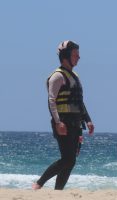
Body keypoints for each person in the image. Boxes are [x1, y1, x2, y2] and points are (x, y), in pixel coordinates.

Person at [32, 40, 95, 190]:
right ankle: (39, 184)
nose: (79, 58)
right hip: (63, 123)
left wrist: (88, 120)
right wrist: (58, 122)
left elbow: (79, 102)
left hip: (76, 124)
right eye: (75, 55)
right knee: (67, 159)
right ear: (66, 56)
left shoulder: (75, 76)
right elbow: (51, 101)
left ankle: (58, 192)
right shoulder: (57, 76)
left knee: (71, 161)